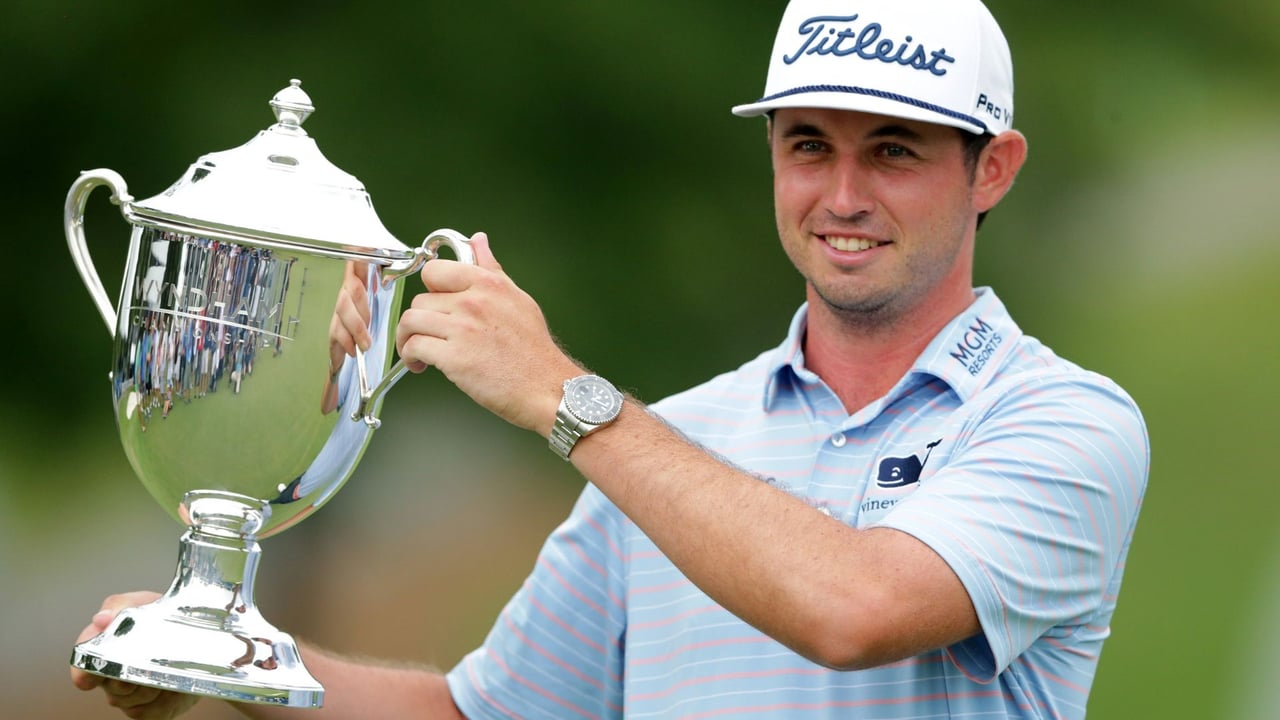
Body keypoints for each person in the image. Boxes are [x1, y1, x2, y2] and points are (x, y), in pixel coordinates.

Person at [71, 0, 1150, 717]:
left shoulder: (1063, 422)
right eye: (807, 145)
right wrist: (223, 675)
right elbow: (476, 714)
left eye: (894, 152)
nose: (842, 196)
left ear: (992, 169)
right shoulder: (671, 440)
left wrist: (558, 394)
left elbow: (852, 609)